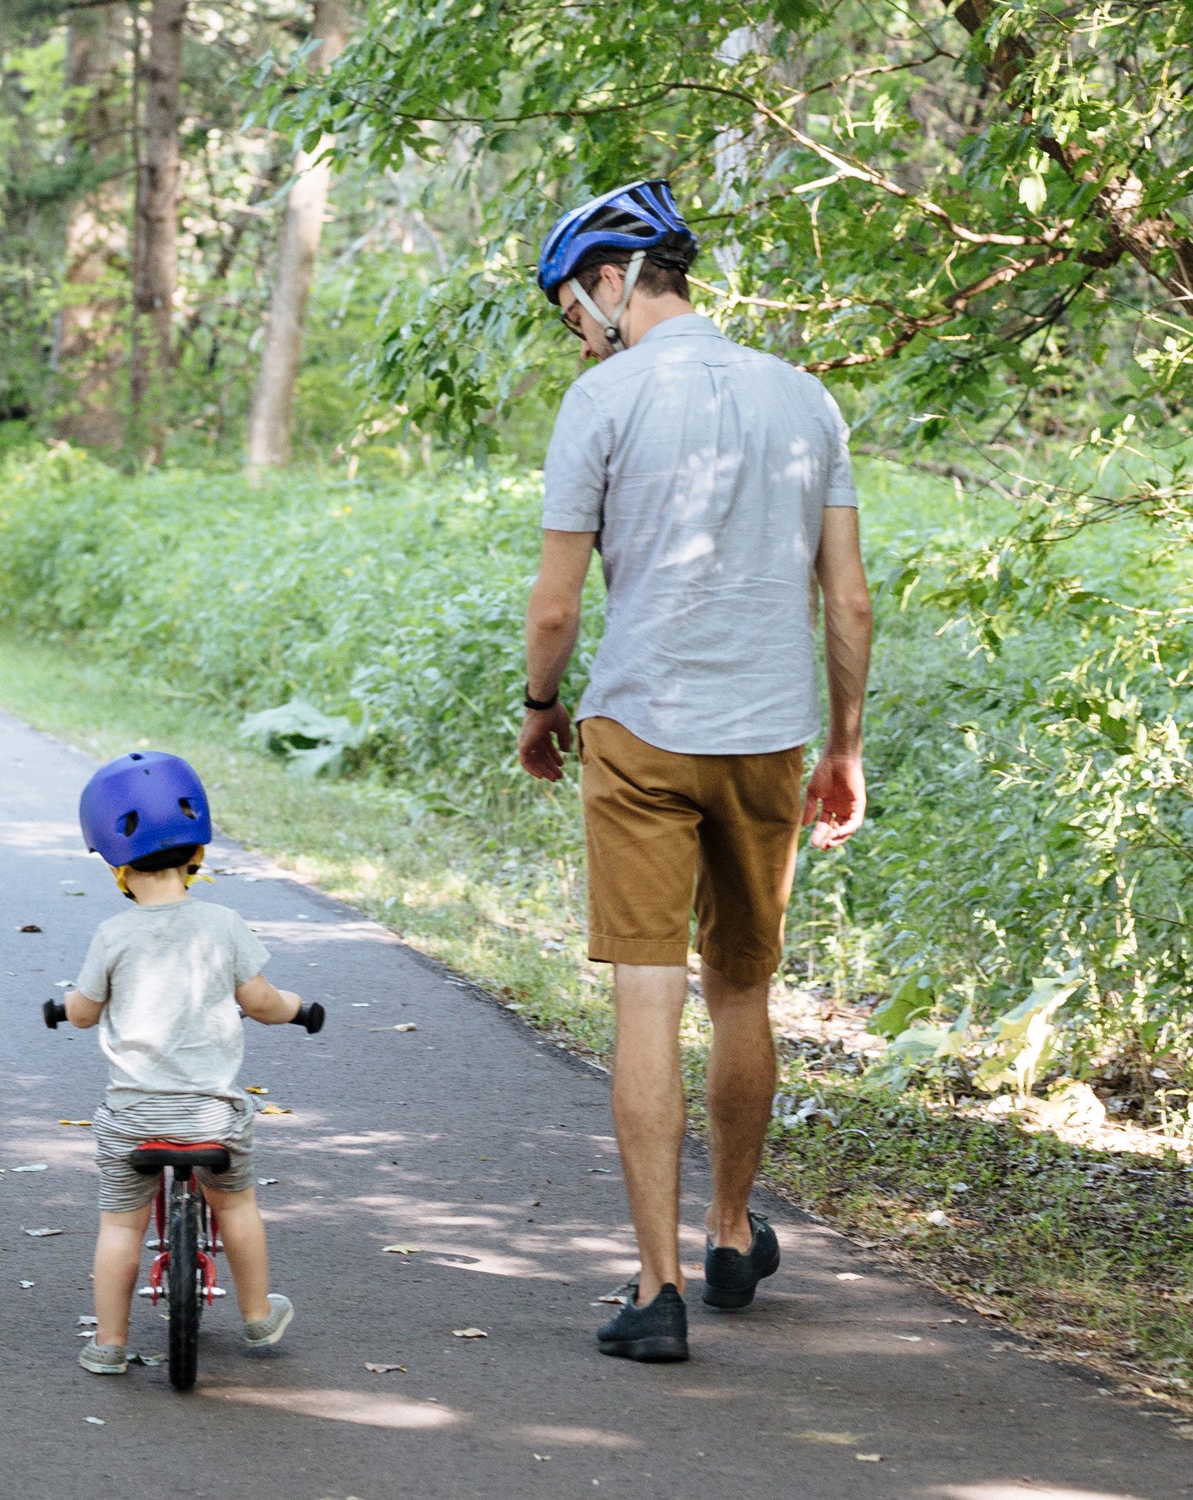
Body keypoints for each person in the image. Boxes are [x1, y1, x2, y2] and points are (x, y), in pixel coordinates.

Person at [518, 180, 873, 1363]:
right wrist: (846, 744)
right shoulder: (805, 396)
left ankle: (657, 1290)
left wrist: (538, 709)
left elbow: (558, 605)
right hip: (770, 736)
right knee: (740, 991)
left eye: (575, 307)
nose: (578, 330)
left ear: (614, 281)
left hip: (642, 735)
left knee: (646, 996)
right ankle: (729, 1235)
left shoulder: (603, 400)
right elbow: (850, 598)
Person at [64, 750, 323, 1374]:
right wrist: (297, 1008)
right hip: (212, 1117)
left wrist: (65, 1007)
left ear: (116, 864)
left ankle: (109, 1344)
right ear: (196, 852)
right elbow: (260, 1003)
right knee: (235, 1203)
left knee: (121, 1225)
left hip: (132, 1119)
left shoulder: (112, 936)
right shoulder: (224, 924)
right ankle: (259, 1317)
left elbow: (81, 1011)